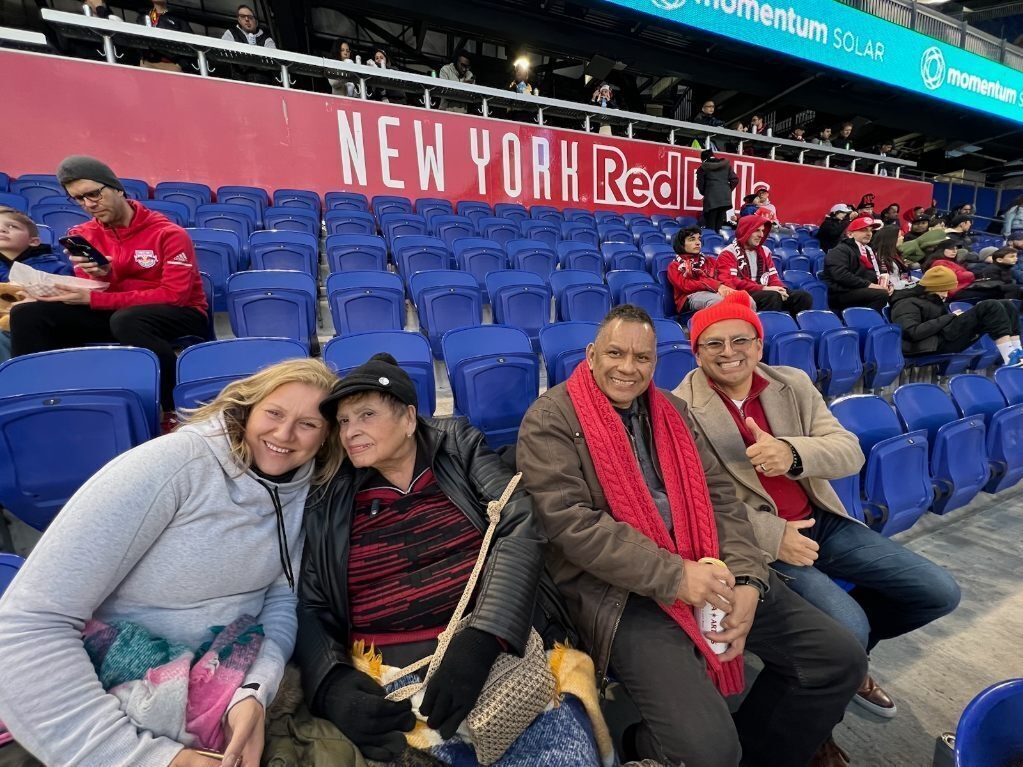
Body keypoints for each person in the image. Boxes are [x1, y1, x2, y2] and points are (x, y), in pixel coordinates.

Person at [516, 304, 867, 767]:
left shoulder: (673, 411)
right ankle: (645, 746)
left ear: (655, 361)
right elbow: (572, 525)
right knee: (709, 752)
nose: (628, 367)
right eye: (616, 353)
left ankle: (760, 752)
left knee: (838, 659)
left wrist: (748, 578)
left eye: (642, 357)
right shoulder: (550, 419)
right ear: (591, 354)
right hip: (619, 595)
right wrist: (675, 576)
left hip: (708, 566)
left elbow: (721, 499)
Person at [0, 359, 343, 767]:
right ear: (246, 408)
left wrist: (253, 692)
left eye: (308, 424)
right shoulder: (173, 465)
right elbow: (30, 623)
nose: (284, 434)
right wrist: (150, 759)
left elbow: (281, 599)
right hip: (113, 700)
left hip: (224, 687)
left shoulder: (306, 488)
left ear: (326, 437)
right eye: (274, 413)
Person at [674, 294, 961, 753]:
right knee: (849, 626)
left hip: (819, 521)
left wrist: (791, 454)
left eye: (740, 340)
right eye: (713, 344)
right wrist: (774, 536)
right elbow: (694, 502)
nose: (729, 352)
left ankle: (847, 665)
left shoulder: (792, 383)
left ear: (759, 344)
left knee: (938, 591)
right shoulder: (680, 408)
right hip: (759, 540)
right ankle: (825, 707)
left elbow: (848, 451)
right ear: (696, 353)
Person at [294, 354, 600, 766]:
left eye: (366, 415)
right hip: (389, 678)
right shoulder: (330, 487)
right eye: (344, 421)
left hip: (497, 656)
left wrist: (483, 639)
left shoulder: (456, 446)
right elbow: (312, 602)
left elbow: (518, 520)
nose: (351, 432)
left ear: (408, 418)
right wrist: (331, 683)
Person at [9, 156, 208, 430]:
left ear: (117, 189)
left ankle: (174, 408)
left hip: (180, 313)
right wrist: (101, 276)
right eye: (78, 199)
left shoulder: (169, 234)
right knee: (27, 315)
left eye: (94, 194)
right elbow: (91, 288)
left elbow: (175, 295)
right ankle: (37, 404)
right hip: (115, 312)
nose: (89, 204)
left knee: (128, 320)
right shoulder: (83, 234)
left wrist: (96, 297)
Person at [890, 265, 1023, 365]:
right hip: (929, 346)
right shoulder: (906, 303)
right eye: (945, 289)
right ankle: (1009, 356)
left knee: (1006, 304)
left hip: (942, 339)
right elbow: (912, 332)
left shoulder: (933, 300)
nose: (947, 293)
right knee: (989, 306)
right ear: (935, 287)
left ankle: (1017, 351)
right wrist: (950, 317)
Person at [0, 207, 73, 363]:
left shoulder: (56, 268)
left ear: (34, 241)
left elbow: (67, 301)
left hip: (31, 329)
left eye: (12, 226)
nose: (2, 230)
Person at [717, 214, 813, 316]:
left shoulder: (765, 251)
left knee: (803, 297)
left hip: (766, 291)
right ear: (745, 230)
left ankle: (790, 324)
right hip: (743, 294)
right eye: (757, 230)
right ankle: (767, 326)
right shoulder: (728, 253)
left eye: (763, 231)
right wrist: (763, 288)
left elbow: (773, 277)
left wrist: (781, 289)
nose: (761, 235)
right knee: (772, 296)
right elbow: (732, 283)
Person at [665, 227, 755, 314]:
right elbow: (686, 286)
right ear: (681, 244)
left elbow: (722, 276)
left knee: (748, 299)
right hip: (690, 297)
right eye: (692, 239)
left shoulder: (709, 260)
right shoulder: (675, 266)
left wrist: (727, 289)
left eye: (699, 239)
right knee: (718, 301)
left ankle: (747, 323)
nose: (698, 243)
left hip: (714, 291)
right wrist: (715, 286)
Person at [85, 0, 190, 70]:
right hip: (146, 64)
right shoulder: (143, 17)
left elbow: (190, 46)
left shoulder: (178, 19)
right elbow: (136, 42)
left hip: (171, 66)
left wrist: (180, 65)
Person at [822, 216, 891, 313]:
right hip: (842, 293)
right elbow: (841, 275)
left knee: (896, 293)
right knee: (880, 294)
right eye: (863, 230)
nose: (869, 233)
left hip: (862, 289)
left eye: (870, 230)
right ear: (850, 234)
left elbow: (877, 272)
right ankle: (865, 320)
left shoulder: (869, 250)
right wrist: (869, 285)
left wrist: (887, 284)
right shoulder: (840, 250)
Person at [696, 149, 738, 232]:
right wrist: (727, 190)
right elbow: (735, 180)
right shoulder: (726, 166)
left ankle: (711, 239)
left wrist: (706, 192)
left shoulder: (702, 168)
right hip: (724, 200)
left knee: (710, 226)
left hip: (711, 200)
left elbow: (701, 185)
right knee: (719, 226)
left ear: (703, 159)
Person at [871, 224, 916, 291]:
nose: (903, 238)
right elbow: (890, 284)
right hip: (895, 291)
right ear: (891, 240)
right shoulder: (882, 258)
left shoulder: (895, 254)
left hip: (902, 285)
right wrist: (909, 283)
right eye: (899, 236)